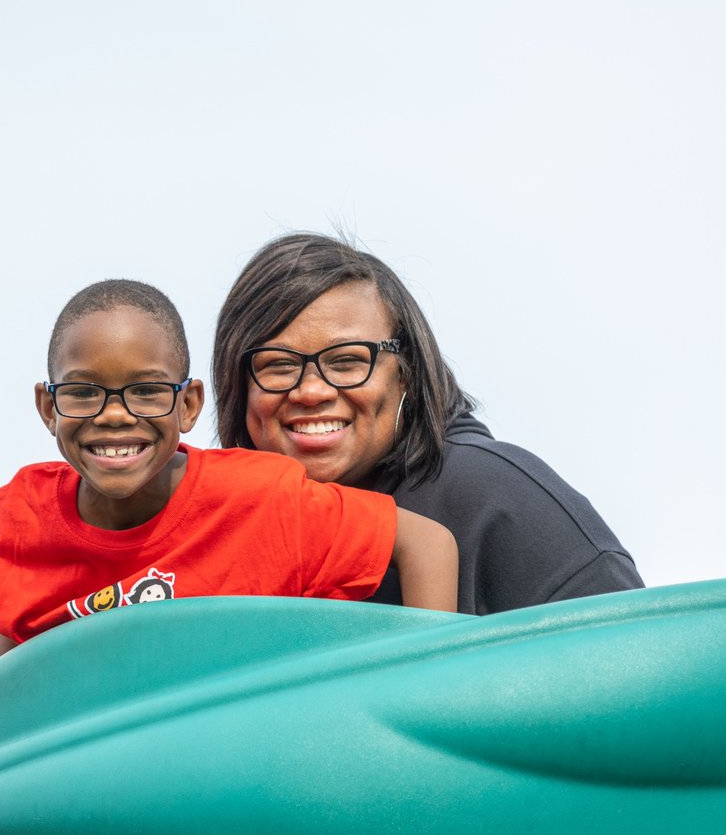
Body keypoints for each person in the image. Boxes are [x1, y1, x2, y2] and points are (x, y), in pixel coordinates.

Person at [0, 279, 458, 724]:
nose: (114, 416)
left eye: (148, 391)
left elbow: (427, 543)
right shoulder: (27, 515)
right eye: (83, 393)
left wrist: (426, 695)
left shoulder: (259, 498)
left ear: (188, 405)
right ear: (48, 407)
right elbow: (14, 651)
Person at [212, 233, 642, 616]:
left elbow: (633, 675)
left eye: (347, 361)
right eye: (278, 366)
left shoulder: (495, 496)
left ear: (408, 372)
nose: (311, 392)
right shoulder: (226, 530)